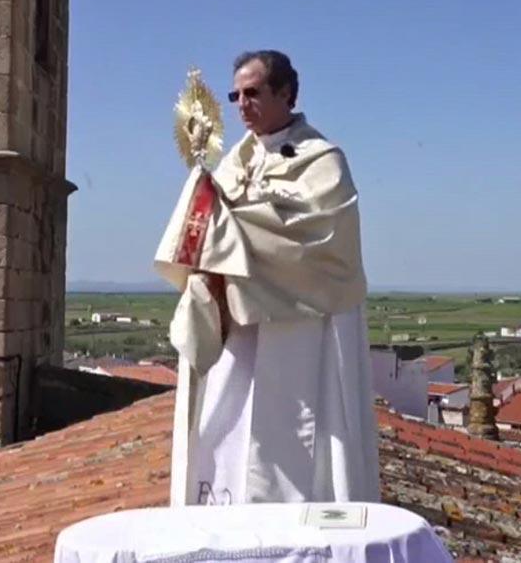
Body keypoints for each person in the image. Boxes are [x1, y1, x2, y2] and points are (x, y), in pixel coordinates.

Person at [155, 50, 379, 506]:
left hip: (301, 326)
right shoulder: (233, 162)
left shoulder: (323, 161)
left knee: (298, 442)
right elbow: (213, 229)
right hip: (241, 328)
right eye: (236, 94)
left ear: (287, 94)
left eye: (253, 92)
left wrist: (231, 224)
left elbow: (320, 237)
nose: (241, 103)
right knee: (234, 434)